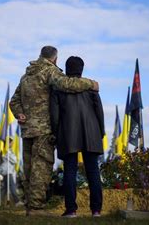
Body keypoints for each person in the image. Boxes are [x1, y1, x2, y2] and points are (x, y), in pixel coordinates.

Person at [10, 46, 99, 216]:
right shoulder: (49, 71)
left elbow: (14, 100)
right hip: (44, 129)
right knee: (41, 167)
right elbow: (67, 84)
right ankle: (36, 208)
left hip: (28, 128)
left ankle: (30, 206)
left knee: (29, 169)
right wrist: (91, 83)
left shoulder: (26, 76)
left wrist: (19, 113)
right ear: (55, 59)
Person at [50, 56, 104, 218]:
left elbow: (54, 115)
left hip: (68, 134)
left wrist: (56, 133)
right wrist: (100, 132)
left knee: (70, 171)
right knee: (93, 171)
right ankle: (96, 211)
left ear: (66, 69)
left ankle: (71, 210)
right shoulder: (91, 87)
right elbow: (99, 111)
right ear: (82, 69)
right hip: (91, 133)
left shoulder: (58, 88)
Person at [0, 137, 23, 207]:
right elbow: (14, 160)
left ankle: (0, 201)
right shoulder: (6, 151)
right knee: (12, 186)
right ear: (8, 143)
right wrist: (14, 157)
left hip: (7, 171)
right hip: (7, 171)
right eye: (11, 142)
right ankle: (17, 201)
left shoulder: (8, 150)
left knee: (5, 188)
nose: (12, 144)